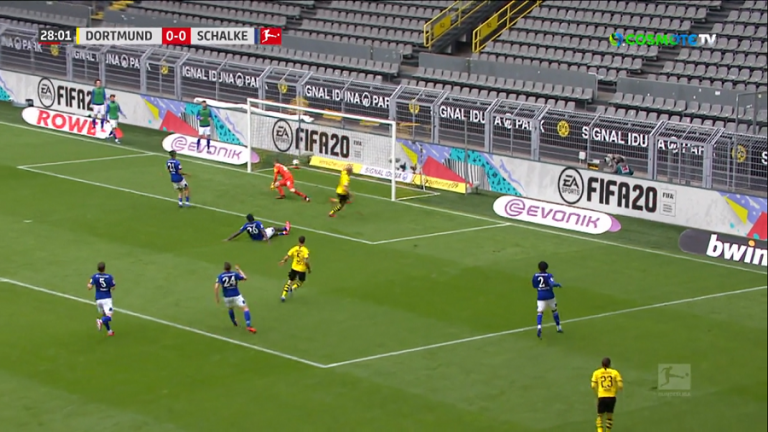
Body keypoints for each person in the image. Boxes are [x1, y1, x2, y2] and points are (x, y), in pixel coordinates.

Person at [214, 262, 256, 333]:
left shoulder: (220, 276)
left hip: (227, 297)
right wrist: (239, 270)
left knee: (230, 309)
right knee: (245, 308)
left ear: (224, 268)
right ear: (230, 268)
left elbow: (216, 287)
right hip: (236, 295)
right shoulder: (234, 274)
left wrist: (217, 298)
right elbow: (245, 278)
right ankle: (248, 325)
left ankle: (234, 322)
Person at [591, 357, 623, 432]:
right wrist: (615, 391)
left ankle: (600, 431)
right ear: (609, 364)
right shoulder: (615, 372)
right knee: (609, 416)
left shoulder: (597, 372)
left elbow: (593, 385)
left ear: (602, 364)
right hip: (611, 397)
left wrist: (597, 392)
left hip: (601, 396)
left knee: (600, 416)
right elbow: (620, 386)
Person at [532, 261, 562, 339]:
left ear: (539, 268)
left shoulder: (535, 276)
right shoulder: (549, 275)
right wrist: (558, 285)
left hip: (541, 296)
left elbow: (534, 286)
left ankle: (539, 327)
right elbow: (552, 283)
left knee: (540, 312)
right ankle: (558, 327)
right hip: (550, 295)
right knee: (554, 311)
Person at [278, 235, 310, 302]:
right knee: (301, 281)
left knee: (289, 281)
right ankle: (293, 288)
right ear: (304, 242)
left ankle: (283, 296)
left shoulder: (294, 248)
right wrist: (308, 268)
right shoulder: (305, 250)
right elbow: (306, 261)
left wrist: (283, 261)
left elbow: (287, 256)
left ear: (298, 241)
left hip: (294, 267)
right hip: (301, 269)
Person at [87, 261, 115, 336]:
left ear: (98, 269)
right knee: (109, 317)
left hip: (98, 300)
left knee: (105, 316)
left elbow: (89, 287)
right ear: (104, 268)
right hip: (107, 299)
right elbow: (113, 287)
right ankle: (100, 321)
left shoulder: (94, 276)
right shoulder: (109, 277)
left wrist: (90, 284)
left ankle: (109, 331)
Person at [224, 214, 290, 242]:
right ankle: (286, 229)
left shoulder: (246, 225)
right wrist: (268, 240)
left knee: (268, 231)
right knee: (273, 228)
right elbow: (263, 231)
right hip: (262, 238)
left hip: (254, 239)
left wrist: (228, 239)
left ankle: (283, 233)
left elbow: (238, 233)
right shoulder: (258, 223)